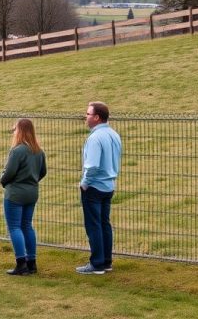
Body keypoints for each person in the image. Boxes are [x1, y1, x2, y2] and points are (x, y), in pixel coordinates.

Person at [77, 101, 122, 275]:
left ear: (96, 117)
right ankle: (106, 261)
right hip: (109, 185)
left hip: (94, 187)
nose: (85, 118)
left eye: (88, 114)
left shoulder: (95, 138)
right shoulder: (114, 134)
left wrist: (85, 183)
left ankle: (96, 263)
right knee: (104, 224)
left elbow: (93, 165)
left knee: (93, 225)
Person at [0, 118, 47, 275]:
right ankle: (32, 263)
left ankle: (21, 263)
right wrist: (31, 181)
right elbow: (42, 171)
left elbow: (9, 172)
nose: (14, 132)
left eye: (15, 129)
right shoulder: (39, 151)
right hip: (32, 193)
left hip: (15, 193)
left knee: (14, 227)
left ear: (20, 131)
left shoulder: (17, 150)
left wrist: (3, 180)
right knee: (27, 225)